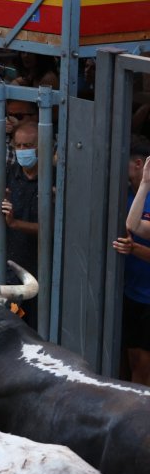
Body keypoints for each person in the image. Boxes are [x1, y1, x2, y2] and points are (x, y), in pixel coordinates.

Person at [113, 138, 150, 385]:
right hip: (128, 293)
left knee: (143, 367)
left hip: (148, 298)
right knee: (127, 361)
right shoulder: (121, 195)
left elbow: (133, 227)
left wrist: (134, 248)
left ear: (138, 164)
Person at [1, 121, 41, 328]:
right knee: (13, 326)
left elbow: (52, 229)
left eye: (28, 146)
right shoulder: (9, 174)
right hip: (11, 272)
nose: (23, 151)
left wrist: (15, 223)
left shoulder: (53, 180)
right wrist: (0, 209)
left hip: (43, 271)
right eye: (19, 146)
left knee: (38, 330)